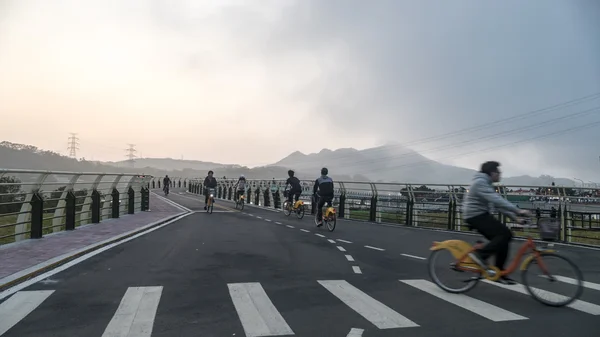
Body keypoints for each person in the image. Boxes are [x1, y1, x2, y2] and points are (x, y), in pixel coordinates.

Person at [462, 161, 531, 285]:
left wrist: (516, 218)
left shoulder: (485, 183)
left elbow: (497, 205)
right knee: (504, 234)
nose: (500, 175)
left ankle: (499, 273)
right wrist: (518, 210)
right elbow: (497, 200)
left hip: (480, 214)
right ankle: (480, 255)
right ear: (493, 173)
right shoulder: (480, 183)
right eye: (499, 172)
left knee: (503, 238)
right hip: (474, 216)